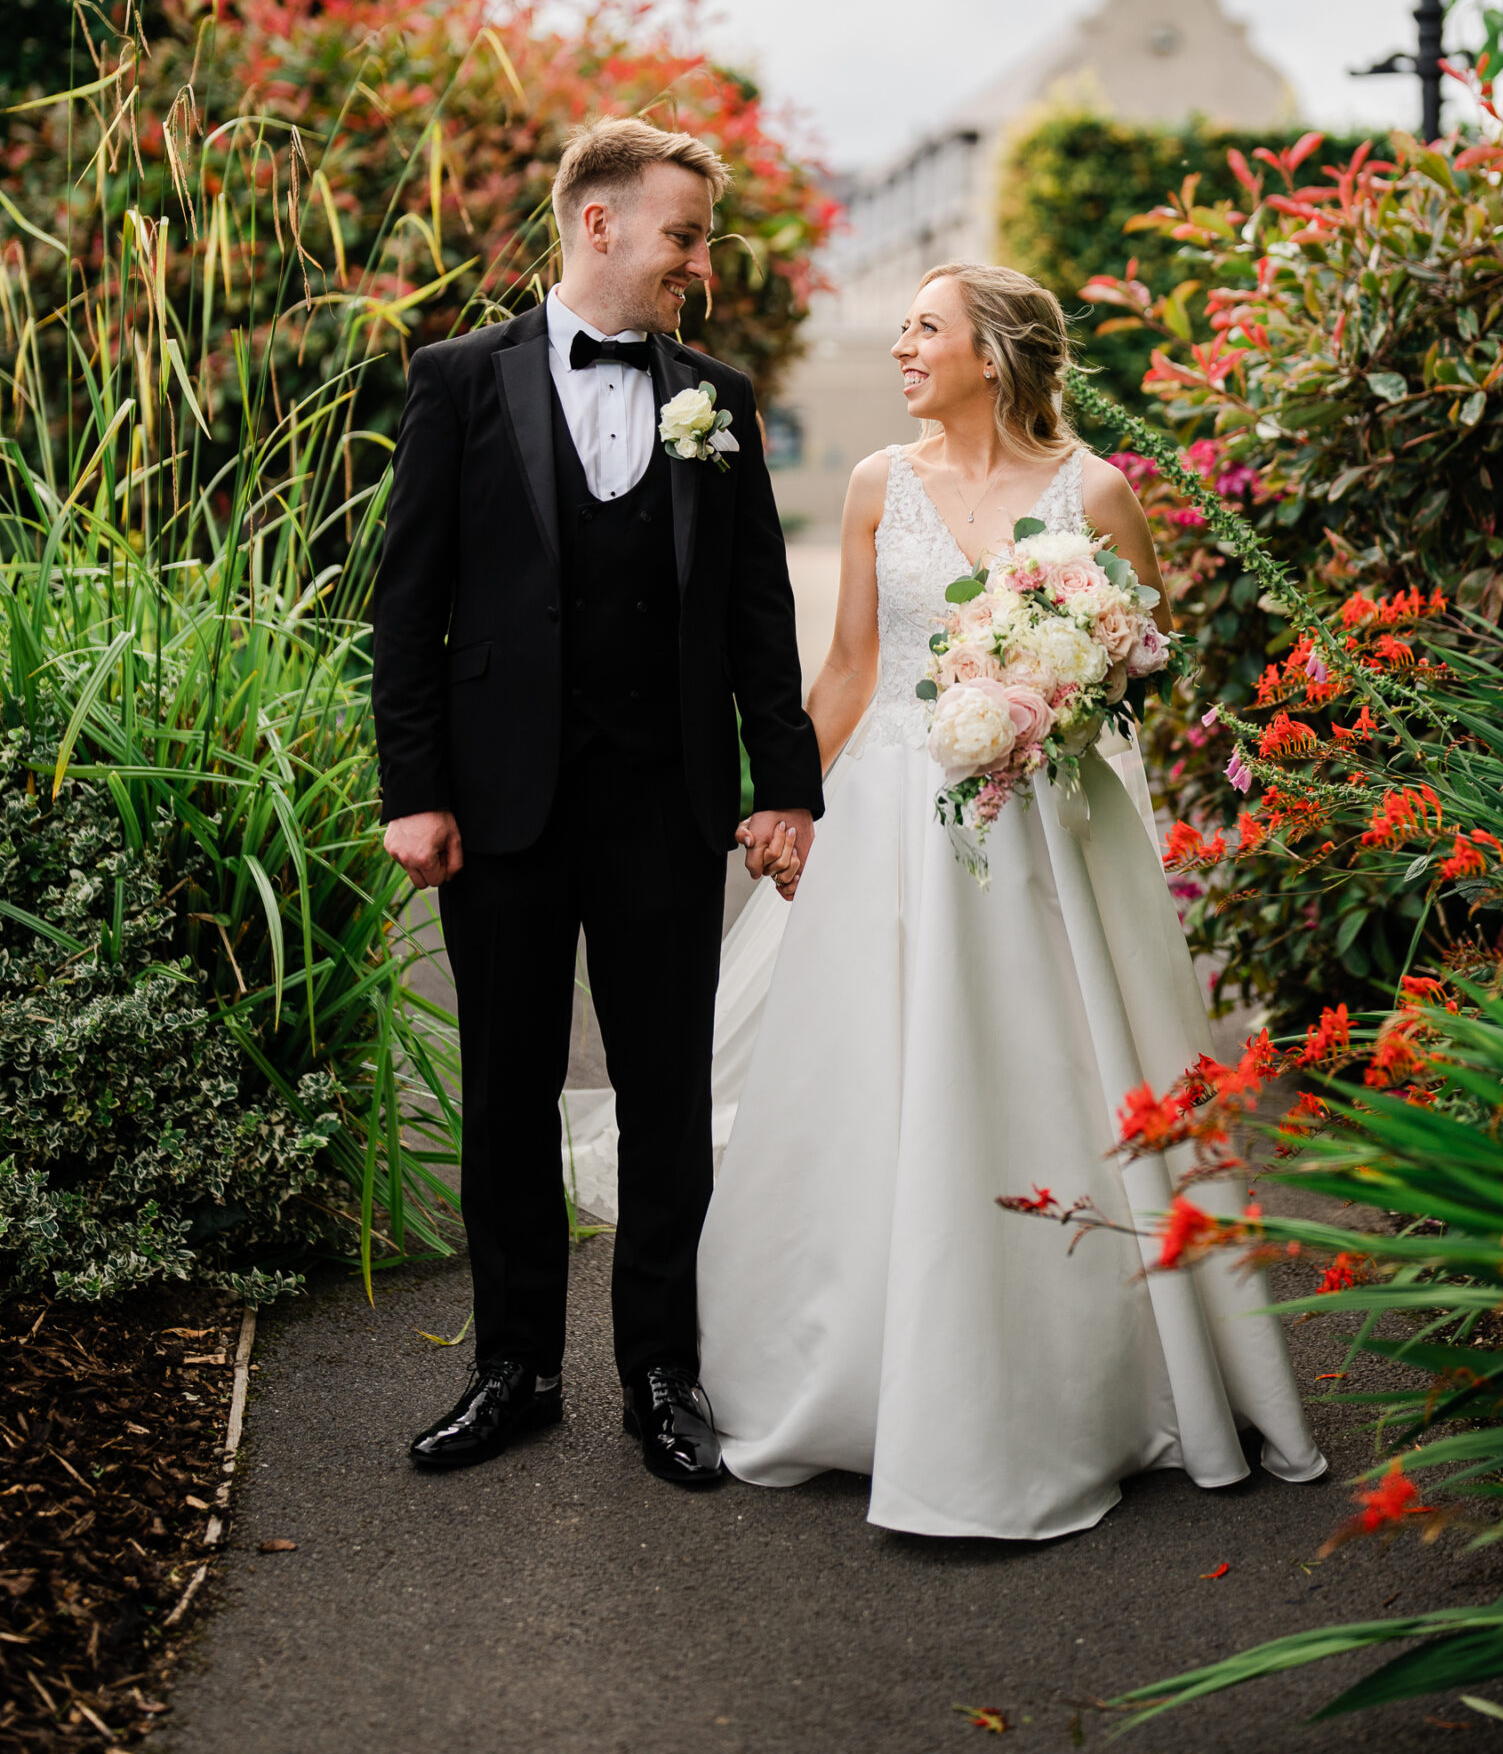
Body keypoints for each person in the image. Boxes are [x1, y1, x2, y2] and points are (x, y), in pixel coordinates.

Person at [694, 262, 1327, 1540]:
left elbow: (1140, 663)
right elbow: (856, 667)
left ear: (995, 350)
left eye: (925, 327)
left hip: (1047, 830)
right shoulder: (880, 482)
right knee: (874, 1080)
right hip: (890, 829)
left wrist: (1053, 694)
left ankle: (1083, 1380)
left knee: (1057, 1074)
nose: (904, 349)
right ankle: (863, 1372)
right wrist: (785, 801)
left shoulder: (1097, 492)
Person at [372, 116, 822, 1482]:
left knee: (668, 1095)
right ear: (600, 224)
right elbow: (410, 604)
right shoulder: (458, 380)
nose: (699, 259)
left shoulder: (721, 398)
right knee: (504, 1091)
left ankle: (661, 1377)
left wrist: (783, 787)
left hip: (666, 807)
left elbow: (757, 612)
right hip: (498, 807)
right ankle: (510, 1371)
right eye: (684, 234)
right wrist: (413, 788)